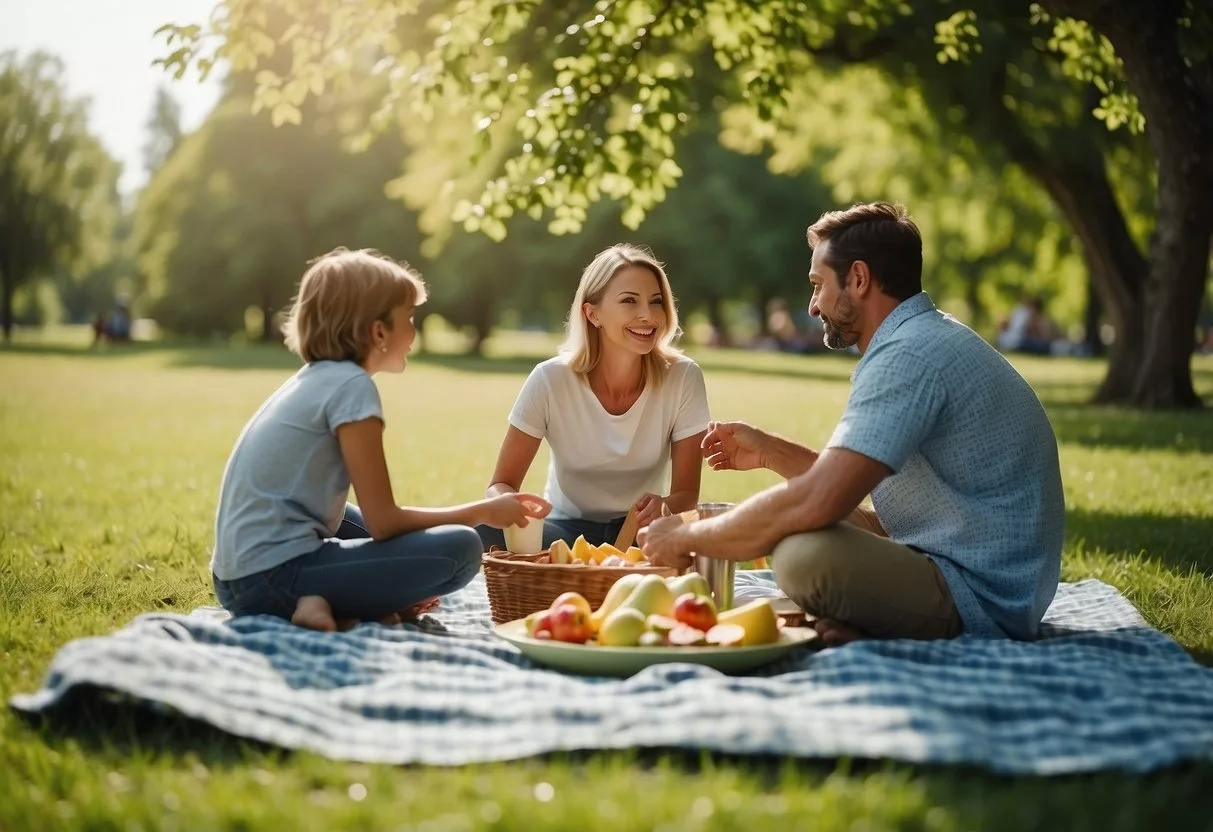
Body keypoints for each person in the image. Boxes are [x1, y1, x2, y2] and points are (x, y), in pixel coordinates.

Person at [640, 203, 1064, 645]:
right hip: (970, 565)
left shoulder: (908, 357)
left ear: (858, 279)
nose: (812, 305)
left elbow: (820, 500)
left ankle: (899, 621)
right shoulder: (922, 337)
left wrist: (691, 537)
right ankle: (876, 622)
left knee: (802, 554)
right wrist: (769, 451)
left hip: (982, 595)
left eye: (818, 285)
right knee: (805, 529)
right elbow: (856, 500)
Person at [211, 248, 551, 632]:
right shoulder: (353, 387)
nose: (413, 332)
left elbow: (373, 523)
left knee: (351, 517)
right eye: (408, 318)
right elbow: (386, 522)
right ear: (378, 331)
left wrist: (398, 573)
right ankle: (317, 602)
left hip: (234, 580)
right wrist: (484, 512)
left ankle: (332, 603)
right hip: (269, 582)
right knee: (462, 546)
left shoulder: (315, 378)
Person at [479, 243, 711, 551]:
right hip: (563, 533)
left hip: (642, 533)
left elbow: (685, 496)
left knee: (703, 537)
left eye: (656, 302)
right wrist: (514, 506)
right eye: (629, 301)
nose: (647, 316)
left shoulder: (683, 377)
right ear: (592, 313)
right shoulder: (550, 380)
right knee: (483, 530)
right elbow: (500, 484)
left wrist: (664, 507)